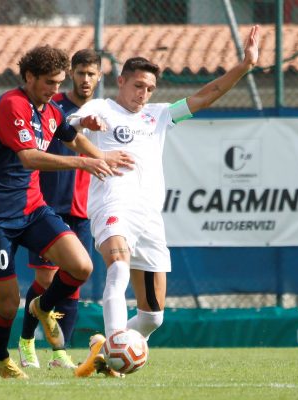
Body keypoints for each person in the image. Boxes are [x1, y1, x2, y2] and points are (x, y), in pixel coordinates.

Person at [72, 25, 261, 377]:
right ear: (122, 82)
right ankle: (114, 348)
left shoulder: (159, 115)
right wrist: (87, 124)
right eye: (138, 85)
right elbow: (71, 128)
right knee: (117, 269)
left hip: (149, 218)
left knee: (153, 315)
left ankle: (104, 346)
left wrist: (245, 65)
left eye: (149, 88)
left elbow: (206, 95)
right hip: (112, 205)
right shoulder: (101, 107)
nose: (143, 93)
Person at [0, 45, 134, 379]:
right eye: (49, 83)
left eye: (59, 83)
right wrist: (85, 163)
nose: (56, 90)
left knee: (81, 266)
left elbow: (72, 138)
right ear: (29, 77)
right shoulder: (12, 104)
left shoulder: (52, 110)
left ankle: (42, 305)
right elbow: (29, 157)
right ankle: (1, 358)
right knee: (8, 303)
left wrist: (102, 156)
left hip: (32, 208)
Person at [18, 49, 103, 370]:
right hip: (47, 204)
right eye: (79, 73)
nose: (84, 79)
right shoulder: (54, 107)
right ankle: (27, 343)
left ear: (99, 77)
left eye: (90, 74)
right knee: (45, 278)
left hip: (81, 209)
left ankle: (59, 353)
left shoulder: (105, 111)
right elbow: (69, 128)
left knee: (74, 281)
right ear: (71, 75)